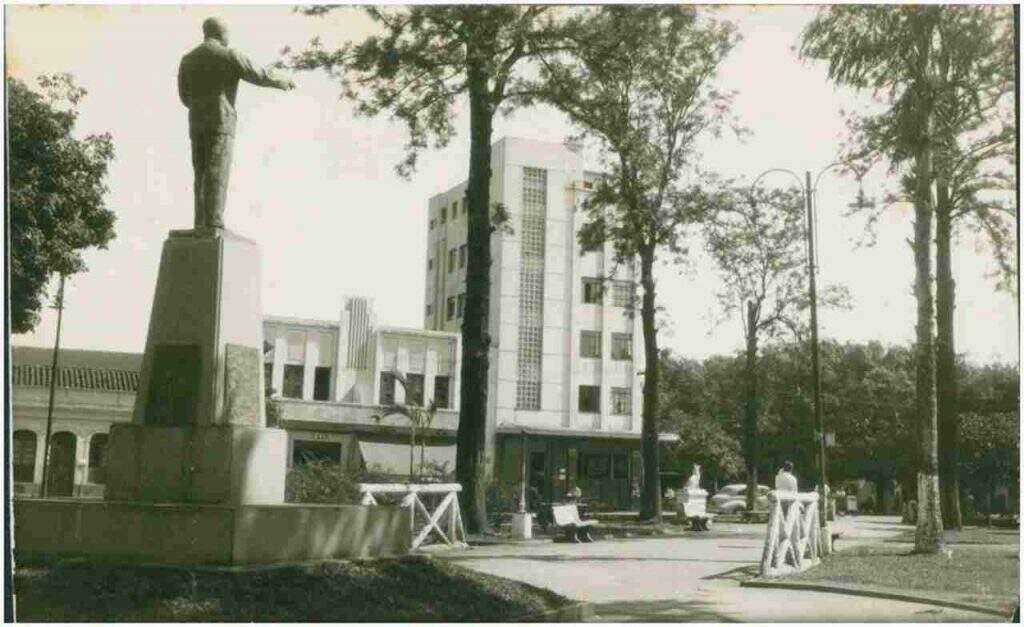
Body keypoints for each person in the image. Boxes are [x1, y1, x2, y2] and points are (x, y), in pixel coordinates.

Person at [178, 17, 295, 229]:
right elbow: (258, 74)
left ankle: (200, 222)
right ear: (221, 33)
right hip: (221, 121)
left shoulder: (187, 59)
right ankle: (214, 220)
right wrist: (282, 80)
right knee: (217, 169)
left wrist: (201, 106)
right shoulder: (229, 54)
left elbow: (184, 96)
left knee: (201, 172)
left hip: (196, 122)